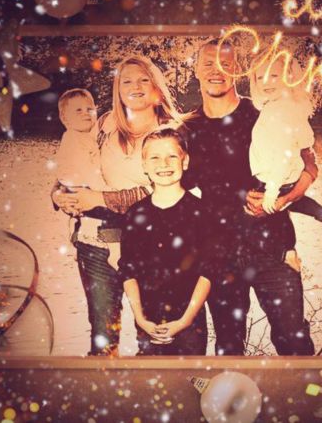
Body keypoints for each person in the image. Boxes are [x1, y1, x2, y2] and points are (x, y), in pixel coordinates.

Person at [183, 39, 316, 355]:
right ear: (196, 70)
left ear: (237, 70)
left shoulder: (264, 113)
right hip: (220, 254)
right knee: (229, 347)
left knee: (294, 341)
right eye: (208, 63)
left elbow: (310, 164)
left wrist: (284, 199)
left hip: (274, 248)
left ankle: (307, 388)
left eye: (225, 64)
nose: (216, 71)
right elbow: (172, 186)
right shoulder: (187, 128)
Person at [51, 55, 187, 355]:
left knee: (153, 337)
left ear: (156, 85)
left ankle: (152, 383)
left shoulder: (170, 131)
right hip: (98, 242)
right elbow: (76, 161)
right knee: (103, 336)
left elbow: (162, 192)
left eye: (143, 80)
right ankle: (106, 382)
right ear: (117, 88)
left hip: (152, 244)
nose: (135, 87)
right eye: (127, 81)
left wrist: (99, 199)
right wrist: (60, 193)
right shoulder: (105, 123)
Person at [119, 128, 212, 355]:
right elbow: (128, 271)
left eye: (172, 156)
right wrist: (140, 319)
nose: (164, 164)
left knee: (189, 375)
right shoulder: (135, 214)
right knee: (151, 375)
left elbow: (209, 271)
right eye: (155, 158)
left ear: (185, 161)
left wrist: (184, 321)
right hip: (148, 323)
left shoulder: (201, 213)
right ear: (144, 165)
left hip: (189, 324)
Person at [53, 88, 124, 357]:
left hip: (125, 228)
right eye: (78, 111)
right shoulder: (73, 140)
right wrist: (60, 195)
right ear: (64, 118)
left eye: (89, 108)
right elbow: (73, 178)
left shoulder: (97, 132)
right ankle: (104, 365)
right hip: (96, 229)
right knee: (103, 319)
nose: (86, 114)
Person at [249, 55, 322, 247]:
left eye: (274, 75)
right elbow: (306, 140)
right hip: (288, 176)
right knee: (295, 203)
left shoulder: (277, 112)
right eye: (260, 77)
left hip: (274, 178)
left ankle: (285, 251)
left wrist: (271, 190)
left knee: (254, 216)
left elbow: (283, 156)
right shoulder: (290, 107)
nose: (266, 82)